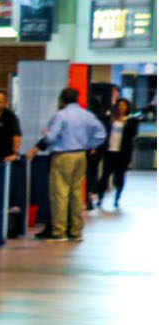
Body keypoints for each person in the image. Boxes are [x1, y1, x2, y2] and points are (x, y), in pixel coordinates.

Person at [27, 88, 107, 242]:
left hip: (63, 156)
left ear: (62, 100)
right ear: (77, 99)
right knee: (76, 194)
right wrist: (89, 145)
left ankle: (60, 231)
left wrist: (45, 133)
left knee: (60, 194)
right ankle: (76, 231)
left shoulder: (61, 115)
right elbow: (101, 134)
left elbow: (51, 137)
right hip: (80, 155)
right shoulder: (87, 115)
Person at [101, 98, 140, 210]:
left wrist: (125, 124)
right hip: (110, 151)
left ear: (128, 107)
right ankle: (100, 197)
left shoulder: (132, 120)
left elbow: (133, 134)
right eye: (120, 105)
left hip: (123, 152)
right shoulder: (110, 119)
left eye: (124, 105)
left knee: (120, 175)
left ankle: (117, 197)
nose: (122, 107)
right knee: (105, 174)